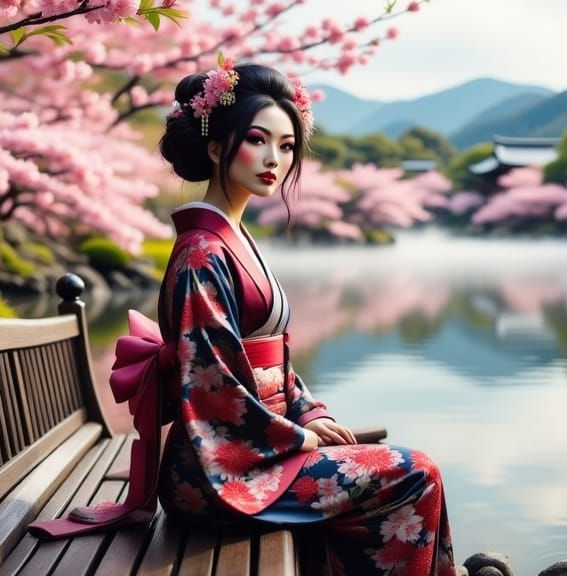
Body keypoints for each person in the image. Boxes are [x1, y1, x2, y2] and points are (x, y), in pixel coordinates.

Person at [147, 59, 455, 575]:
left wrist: (312, 415)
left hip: (259, 445)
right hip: (218, 468)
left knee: (412, 470)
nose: (275, 159)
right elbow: (211, 384)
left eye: (287, 146)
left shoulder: (232, 240)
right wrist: (297, 438)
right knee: (416, 473)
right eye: (258, 140)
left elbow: (277, 361)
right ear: (218, 146)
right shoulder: (203, 252)